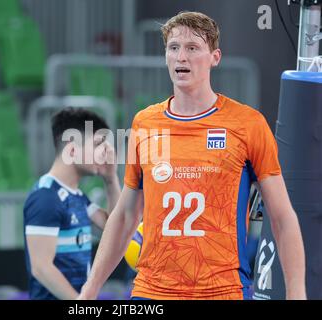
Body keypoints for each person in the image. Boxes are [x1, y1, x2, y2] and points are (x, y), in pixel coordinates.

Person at [78, 11, 306, 300]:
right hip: (152, 292)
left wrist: (296, 292)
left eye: (192, 48)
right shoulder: (145, 123)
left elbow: (282, 218)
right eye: (173, 48)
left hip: (222, 291)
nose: (181, 57)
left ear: (215, 57)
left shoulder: (247, 124)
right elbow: (125, 216)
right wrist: (90, 290)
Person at [23, 108, 121, 300]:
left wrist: (110, 179)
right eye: (97, 145)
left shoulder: (77, 196)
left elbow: (115, 228)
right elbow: (41, 267)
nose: (104, 154)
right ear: (73, 149)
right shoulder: (46, 197)